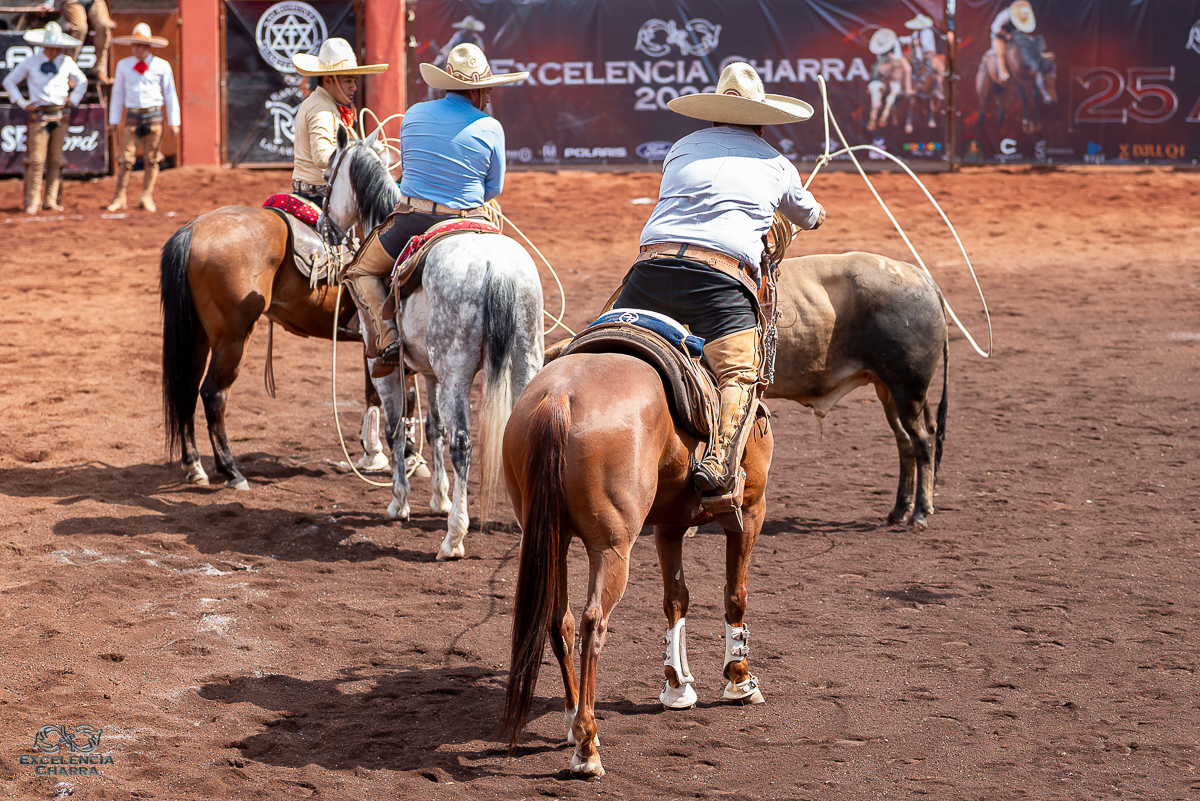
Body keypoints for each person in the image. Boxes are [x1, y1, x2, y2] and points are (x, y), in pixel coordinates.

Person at [611, 62, 825, 502]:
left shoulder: (682, 147)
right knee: (740, 376)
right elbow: (808, 216)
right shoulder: (777, 163)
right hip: (719, 284)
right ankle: (721, 462)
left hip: (650, 272)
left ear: (712, 114)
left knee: (602, 341)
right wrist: (816, 213)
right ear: (764, 121)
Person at [341, 43, 527, 378]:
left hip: (414, 220)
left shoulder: (413, 114)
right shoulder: (490, 126)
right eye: (485, 91)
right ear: (476, 91)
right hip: (470, 221)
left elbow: (410, 169)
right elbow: (493, 189)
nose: (487, 97)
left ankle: (388, 340)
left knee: (359, 272)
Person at [290, 38, 387, 206]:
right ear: (328, 81)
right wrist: (362, 152)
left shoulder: (324, 103)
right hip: (318, 197)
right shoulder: (321, 108)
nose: (353, 87)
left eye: (354, 81)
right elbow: (322, 157)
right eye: (348, 80)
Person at [2, 21, 87, 214]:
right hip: (39, 115)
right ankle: (32, 201)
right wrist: (23, 103)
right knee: (37, 160)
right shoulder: (31, 62)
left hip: (60, 114)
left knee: (56, 159)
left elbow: (82, 81)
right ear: (44, 45)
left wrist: (73, 99)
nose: (55, 50)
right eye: (52, 46)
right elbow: (9, 82)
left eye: (57, 46)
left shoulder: (66, 62)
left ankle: (50, 200)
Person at [105, 23, 180, 213]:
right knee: (125, 159)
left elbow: (170, 94)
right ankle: (119, 197)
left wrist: (174, 122)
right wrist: (113, 121)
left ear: (148, 47)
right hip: (132, 117)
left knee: (152, 159)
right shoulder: (123, 65)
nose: (136, 48)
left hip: (154, 116)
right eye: (134, 45)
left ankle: (147, 196)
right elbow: (118, 94)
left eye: (139, 45)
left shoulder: (162, 66)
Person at [37, 0, 114, 84]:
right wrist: (49, 3)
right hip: (72, 1)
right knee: (80, 28)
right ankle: (69, 70)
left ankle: (99, 69)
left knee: (104, 25)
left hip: (95, 1)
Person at [991, 0, 1036, 84]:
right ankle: (1003, 73)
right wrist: (1005, 34)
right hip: (999, 37)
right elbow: (995, 28)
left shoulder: (1022, 19)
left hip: (1012, 38)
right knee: (1000, 53)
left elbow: (1019, 30)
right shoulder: (1005, 15)